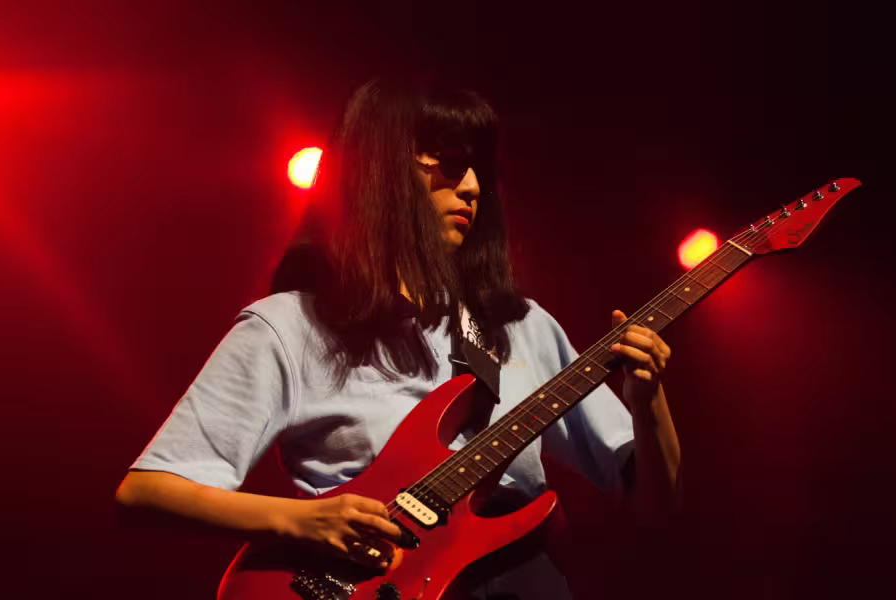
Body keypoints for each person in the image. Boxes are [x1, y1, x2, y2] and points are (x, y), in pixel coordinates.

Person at [115, 77, 681, 599]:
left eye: (481, 167)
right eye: (453, 162)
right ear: (381, 169)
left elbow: (660, 502)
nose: (475, 187)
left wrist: (647, 400)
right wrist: (305, 519)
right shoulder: (287, 328)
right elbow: (148, 491)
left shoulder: (521, 327)